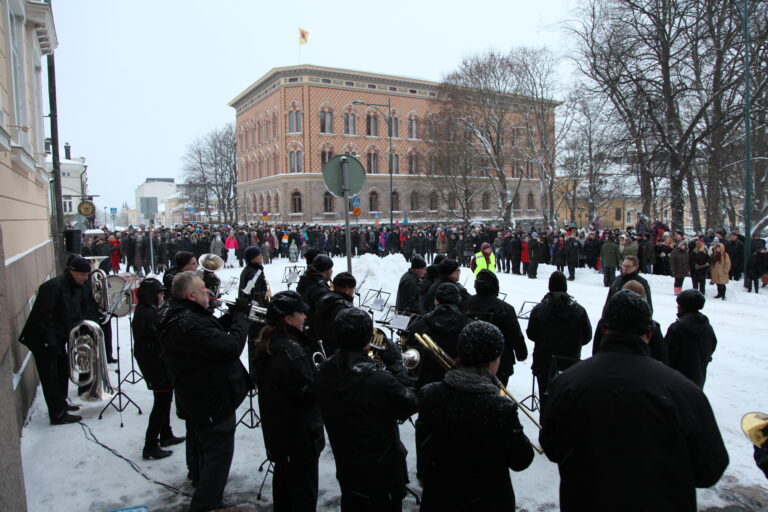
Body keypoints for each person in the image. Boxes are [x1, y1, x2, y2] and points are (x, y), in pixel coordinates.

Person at [540, 290, 729, 511]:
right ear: (649, 334)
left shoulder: (568, 383)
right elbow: (710, 467)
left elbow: (552, 446)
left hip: (588, 499)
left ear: (603, 329)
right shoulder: (683, 391)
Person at [158, 271, 252, 512]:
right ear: (190, 295)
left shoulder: (187, 317)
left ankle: (210, 500)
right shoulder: (187, 322)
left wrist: (231, 316)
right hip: (210, 403)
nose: (208, 294)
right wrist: (241, 318)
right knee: (217, 463)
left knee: (211, 459)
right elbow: (230, 346)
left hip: (203, 400)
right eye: (203, 290)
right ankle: (206, 504)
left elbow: (211, 335)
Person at [416, 321, 534, 511]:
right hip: (487, 501)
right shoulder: (500, 408)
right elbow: (522, 459)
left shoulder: (431, 394)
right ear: (491, 361)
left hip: (439, 498)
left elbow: (424, 452)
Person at [316, 308, 418, 512]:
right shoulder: (378, 381)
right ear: (366, 339)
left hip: (348, 469)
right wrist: (396, 363)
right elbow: (409, 403)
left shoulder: (324, 372)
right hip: (381, 474)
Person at [253, 290, 325, 512]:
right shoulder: (290, 352)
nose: (305, 317)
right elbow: (306, 394)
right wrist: (323, 377)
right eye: (300, 313)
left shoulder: (269, 343)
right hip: (298, 438)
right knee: (302, 494)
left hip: (281, 437)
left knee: (285, 488)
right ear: (287, 318)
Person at [17, 256, 94, 424]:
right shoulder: (54, 287)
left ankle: (61, 404)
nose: (86, 278)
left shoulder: (75, 286)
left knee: (61, 371)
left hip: (57, 337)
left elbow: (74, 313)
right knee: (50, 376)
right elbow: (44, 318)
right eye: (83, 274)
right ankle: (57, 414)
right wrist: (50, 343)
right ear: (72, 272)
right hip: (42, 340)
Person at [132, 278, 184, 459]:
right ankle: (151, 444)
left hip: (156, 361)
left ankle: (166, 434)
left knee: (165, 399)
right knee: (161, 402)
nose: (162, 296)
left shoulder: (148, 311)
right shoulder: (147, 315)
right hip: (154, 364)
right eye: (159, 294)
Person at [526, 271, 592, 404]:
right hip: (570, 361)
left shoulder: (540, 309)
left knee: (546, 401)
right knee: (567, 401)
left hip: (545, 362)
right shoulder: (579, 310)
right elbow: (587, 336)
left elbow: (532, 334)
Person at [462, 270, 527, 386]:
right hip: (499, 362)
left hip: (470, 358)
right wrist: (521, 353)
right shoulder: (505, 309)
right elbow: (515, 334)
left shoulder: (465, 304)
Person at [408, 282, 472, 389]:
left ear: (436, 300)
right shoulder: (468, 325)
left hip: (425, 382)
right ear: (458, 300)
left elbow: (411, 353)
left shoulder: (420, 323)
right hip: (457, 385)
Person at [664, 289, 717, 388]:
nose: (677, 307)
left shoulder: (677, 328)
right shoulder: (706, 326)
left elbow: (666, 356)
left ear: (683, 307)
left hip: (677, 381)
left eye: (679, 304)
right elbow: (712, 346)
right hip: (698, 379)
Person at [312, 271, 357, 356]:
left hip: (324, 349)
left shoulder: (324, 300)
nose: (353, 292)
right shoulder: (344, 309)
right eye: (353, 289)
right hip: (338, 355)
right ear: (346, 290)